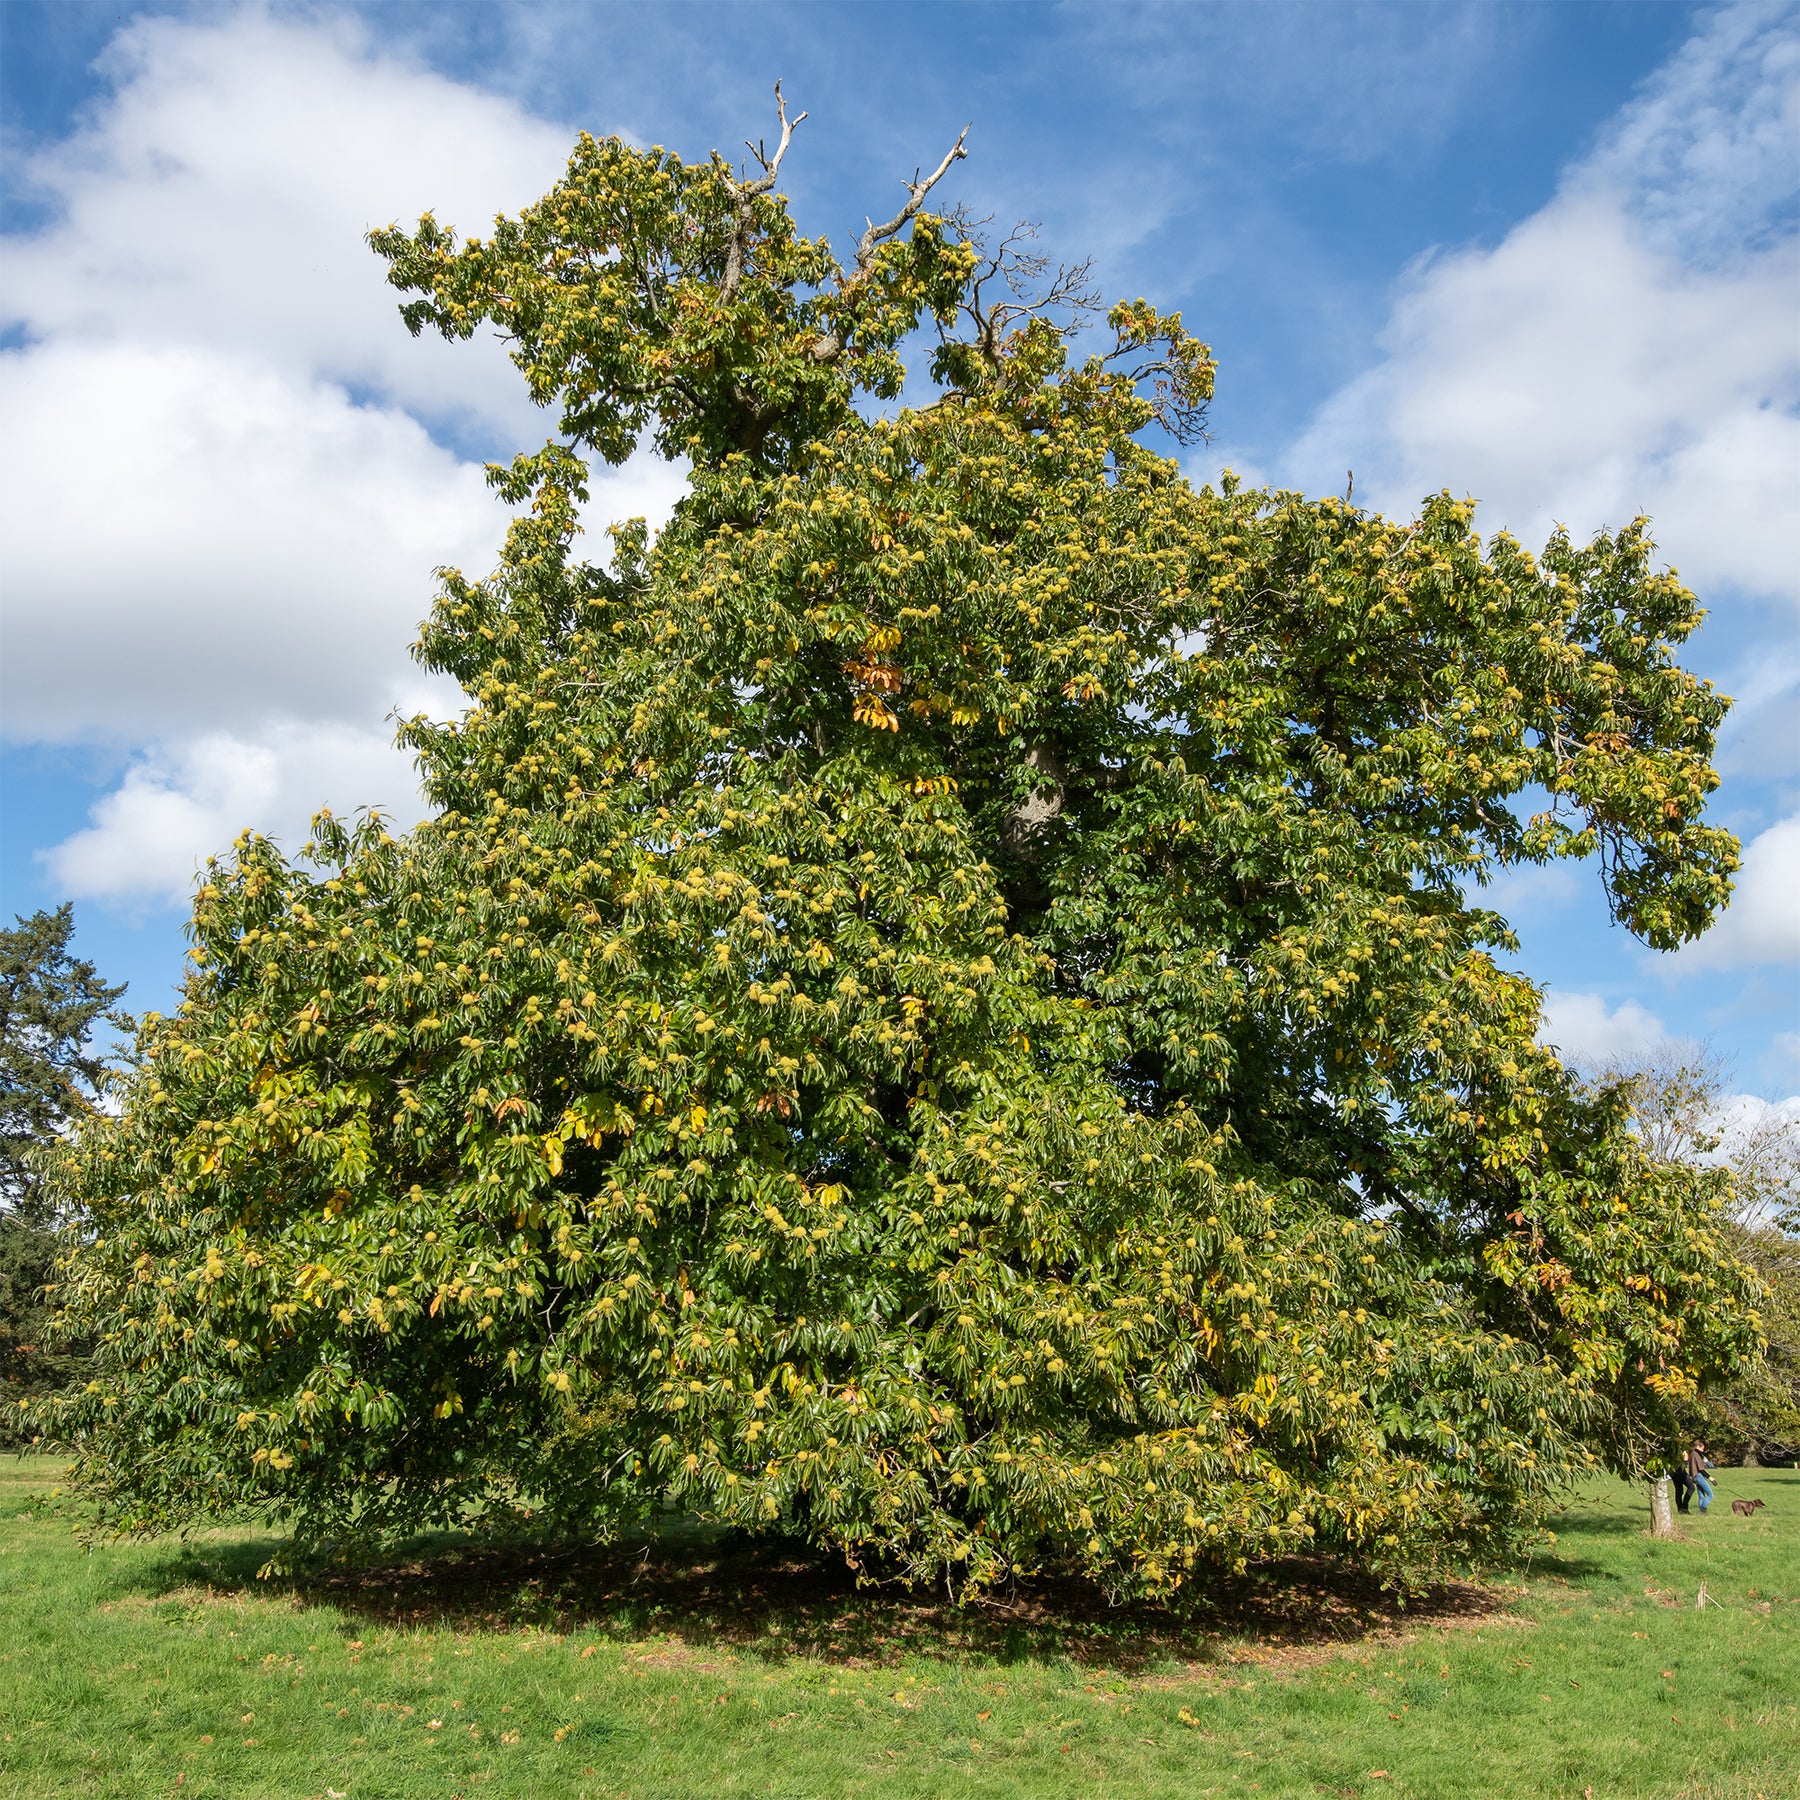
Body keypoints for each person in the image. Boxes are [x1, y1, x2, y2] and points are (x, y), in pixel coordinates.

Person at [1685, 1440, 1714, 1514]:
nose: (1703, 1450)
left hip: (1694, 1476)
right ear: (1698, 1446)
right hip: (1699, 1476)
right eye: (1702, 1448)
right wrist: (1709, 1477)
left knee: (1701, 1496)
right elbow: (1701, 1469)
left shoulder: (1691, 1454)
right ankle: (1703, 1509)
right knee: (1710, 1495)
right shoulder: (1696, 1455)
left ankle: (1701, 1513)